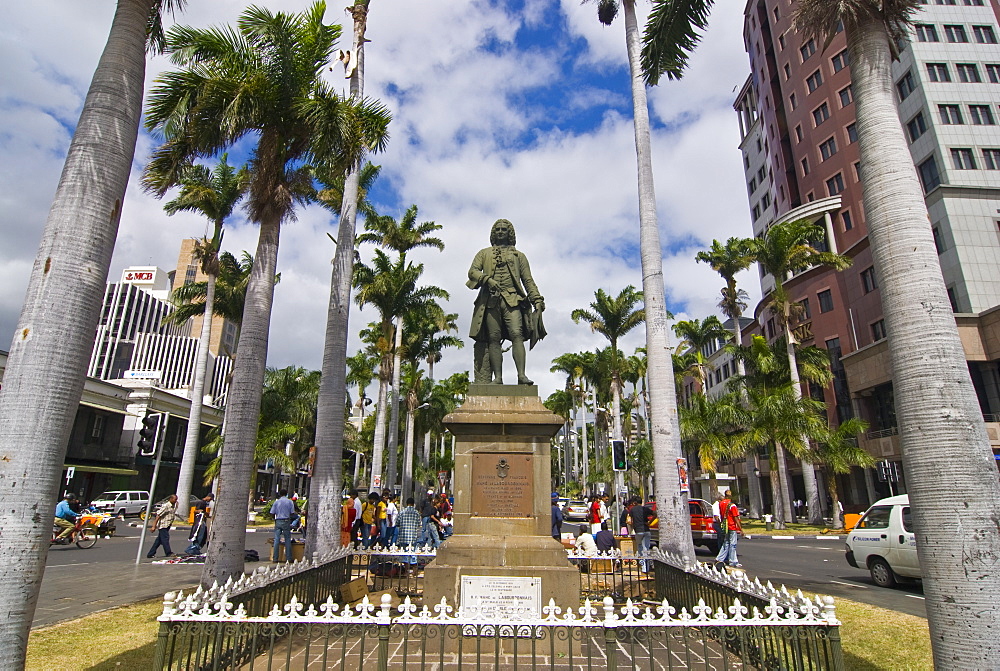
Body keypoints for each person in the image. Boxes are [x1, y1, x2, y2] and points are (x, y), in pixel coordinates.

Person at [467, 218, 546, 385]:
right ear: (493, 233)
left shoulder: (520, 256)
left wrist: (537, 299)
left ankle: (521, 376)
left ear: (510, 233)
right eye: (498, 229)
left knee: (517, 334)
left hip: (513, 300)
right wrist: (487, 280)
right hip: (490, 300)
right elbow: (472, 272)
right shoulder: (484, 253)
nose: (501, 232)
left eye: (504, 229)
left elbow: (528, 280)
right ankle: (498, 378)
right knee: (493, 338)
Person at [715, 490, 743, 568]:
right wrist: (740, 528)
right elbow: (736, 517)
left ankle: (720, 558)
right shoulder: (732, 505)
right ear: (730, 496)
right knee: (732, 544)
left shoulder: (721, 504)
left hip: (725, 526)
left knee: (726, 543)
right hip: (732, 526)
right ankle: (733, 561)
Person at [627, 497, 653, 572]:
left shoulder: (632, 510)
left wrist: (634, 524)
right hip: (647, 530)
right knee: (646, 548)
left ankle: (642, 566)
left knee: (640, 548)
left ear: (634, 503)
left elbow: (629, 521)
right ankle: (647, 567)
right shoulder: (645, 509)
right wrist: (649, 523)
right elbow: (655, 514)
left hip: (638, 531)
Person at [270, 489, 296, 562]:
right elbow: (292, 512)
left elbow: (272, 512)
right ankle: (289, 558)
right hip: (286, 520)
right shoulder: (290, 502)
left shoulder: (276, 502)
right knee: (287, 539)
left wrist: (274, 519)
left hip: (278, 520)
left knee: (277, 539)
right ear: (286, 494)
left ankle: (275, 558)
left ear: (280, 494)